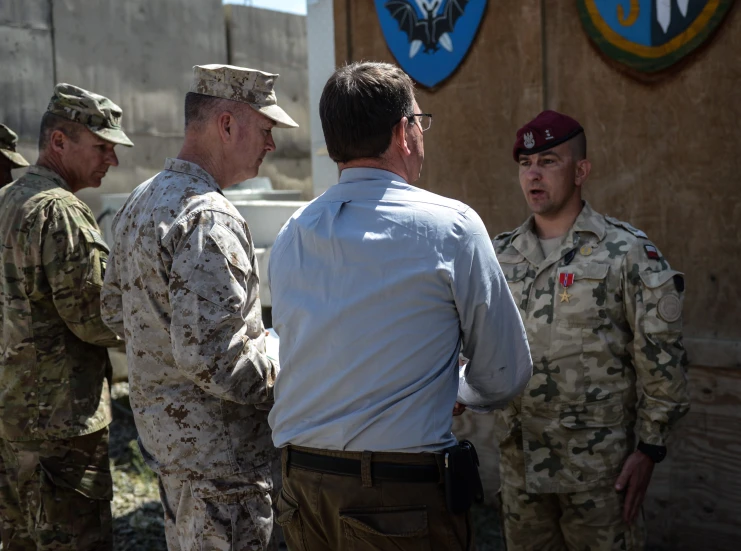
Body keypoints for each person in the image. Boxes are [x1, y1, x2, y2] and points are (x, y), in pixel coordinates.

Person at [268, 61, 533, 551]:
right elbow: (504, 371)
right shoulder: (451, 226)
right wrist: (455, 389)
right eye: (420, 120)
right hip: (397, 495)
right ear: (403, 133)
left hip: (301, 484)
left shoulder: (293, 232)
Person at [100, 64, 298, 551]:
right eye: (266, 129)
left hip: (175, 453)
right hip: (224, 470)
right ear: (227, 124)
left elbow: (111, 312)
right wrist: (290, 364)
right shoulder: (207, 216)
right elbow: (218, 359)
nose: (272, 145)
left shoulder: (141, 201)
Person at [492, 110, 690, 551]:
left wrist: (650, 450)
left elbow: (662, 360)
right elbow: (478, 342)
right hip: (520, 467)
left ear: (581, 170)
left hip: (599, 476)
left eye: (548, 161)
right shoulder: (498, 255)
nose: (534, 174)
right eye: (525, 164)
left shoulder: (627, 253)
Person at [0, 84, 133, 550]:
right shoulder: (61, 210)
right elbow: (96, 318)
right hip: (62, 428)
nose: (111, 159)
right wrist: (162, 325)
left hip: (13, 416)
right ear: (59, 142)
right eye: (101, 146)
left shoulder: (7, 200)